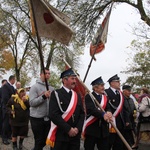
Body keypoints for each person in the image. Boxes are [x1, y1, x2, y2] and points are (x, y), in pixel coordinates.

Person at [47, 68, 85, 150]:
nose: (75, 81)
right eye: (72, 78)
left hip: (75, 136)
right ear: (64, 80)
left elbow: (82, 114)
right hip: (61, 136)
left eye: (75, 79)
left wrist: (77, 129)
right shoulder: (56, 94)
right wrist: (68, 129)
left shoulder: (77, 95)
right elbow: (53, 114)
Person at [83, 76, 112, 150]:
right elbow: (91, 109)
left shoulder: (105, 97)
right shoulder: (89, 96)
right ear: (95, 88)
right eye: (101, 86)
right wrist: (103, 114)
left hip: (103, 130)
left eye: (103, 85)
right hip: (92, 128)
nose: (103, 88)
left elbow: (108, 107)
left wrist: (109, 112)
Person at [29, 68, 54, 150]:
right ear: (41, 75)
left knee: (47, 139)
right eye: (45, 73)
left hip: (48, 118)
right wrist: (43, 97)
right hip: (36, 119)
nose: (47, 75)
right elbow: (32, 103)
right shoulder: (34, 87)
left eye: (49, 73)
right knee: (39, 141)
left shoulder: (51, 88)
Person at [105, 74, 128, 150]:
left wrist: (127, 120)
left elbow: (124, 108)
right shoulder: (106, 93)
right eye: (117, 81)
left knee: (119, 145)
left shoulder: (121, 94)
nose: (119, 83)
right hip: (110, 123)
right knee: (109, 143)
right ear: (112, 83)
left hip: (120, 123)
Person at [1, 75, 16, 145]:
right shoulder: (5, 86)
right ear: (12, 79)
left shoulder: (12, 87)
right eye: (14, 80)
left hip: (11, 107)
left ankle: (8, 135)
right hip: (7, 108)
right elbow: (5, 98)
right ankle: (4, 138)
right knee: (6, 123)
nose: (15, 81)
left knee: (10, 123)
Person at [122, 85, 137, 149]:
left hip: (132, 121)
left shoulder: (131, 99)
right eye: (128, 91)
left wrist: (135, 113)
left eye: (130, 91)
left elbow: (134, 109)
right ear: (124, 91)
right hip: (125, 123)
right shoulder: (121, 99)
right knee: (127, 139)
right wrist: (126, 121)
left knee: (132, 138)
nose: (130, 92)